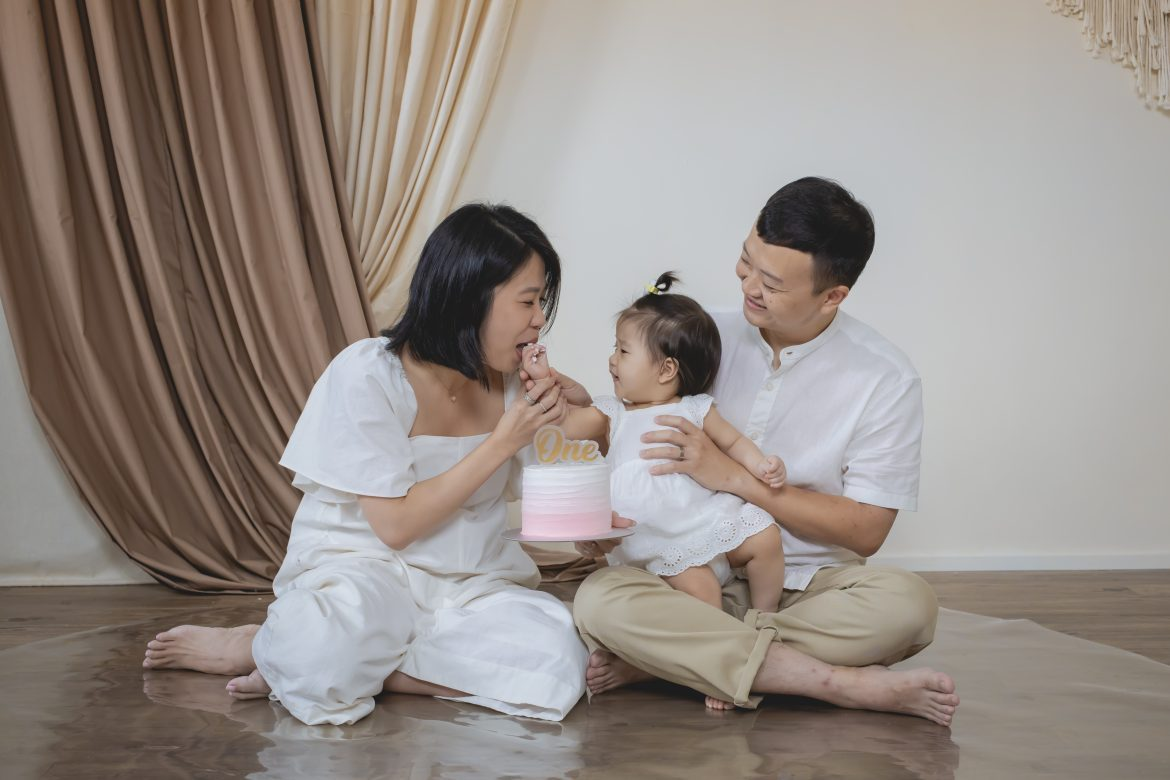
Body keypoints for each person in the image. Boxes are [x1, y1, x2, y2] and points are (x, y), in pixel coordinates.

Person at [142, 203, 607, 726]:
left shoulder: (508, 380)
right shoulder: (368, 374)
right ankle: (266, 645)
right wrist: (502, 443)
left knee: (560, 658)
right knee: (322, 646)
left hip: (471, 583)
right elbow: (396, 526)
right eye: (527, 301)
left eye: (540, 302)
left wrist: (579, 400)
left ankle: (315, 662)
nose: (539, 319)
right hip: (365, 570)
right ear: (469, 296)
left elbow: (590, 435)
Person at [568, 177, 961, 725]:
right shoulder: (700, 336)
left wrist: (733, 476)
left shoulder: (885, 378)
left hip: (806, 587)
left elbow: (866, 530)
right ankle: (829, 682)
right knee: (599, 598)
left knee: (910, 606)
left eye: (770, 282)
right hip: (685, 574)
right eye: (745, 261)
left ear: (833, 296)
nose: (748, 285)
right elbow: (631, 433)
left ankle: (678, 659)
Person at [524, 272, 786, 622]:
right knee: (703, 592)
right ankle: (715, 643)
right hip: (651, 537)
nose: (613, 360)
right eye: (615, 348)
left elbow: (734, 441)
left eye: (624, 350)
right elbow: (566, 424)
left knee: (766, 536)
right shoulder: (611, 413)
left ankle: (765, 617)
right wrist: (543, 378)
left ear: (666, 370)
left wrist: (761, 464)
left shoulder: (695, 409)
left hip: (702, 519)